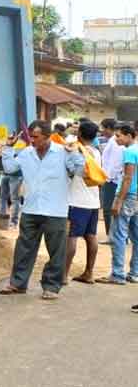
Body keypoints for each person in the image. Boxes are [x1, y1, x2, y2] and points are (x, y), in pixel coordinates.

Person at [0, 120, 84, 300]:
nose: (32, 140)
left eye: (35, 137)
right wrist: (8, 148)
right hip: (30, 209)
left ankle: (51, 286)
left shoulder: (63, 152)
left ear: (47, 136)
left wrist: (74, 152)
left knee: (56, 251)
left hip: (56, 211)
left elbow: (80, 171)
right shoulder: (26, 153)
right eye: (30, 136)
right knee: (24, 249)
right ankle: (17, 283)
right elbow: (9, 168)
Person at [97, 125, 138, 285]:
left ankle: (118, 274)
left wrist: (118, 200)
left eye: (119, 136)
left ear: (129, 136)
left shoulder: (129, 152)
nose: (116, 138)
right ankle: (134, 272)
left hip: (127, 196)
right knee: (135, 236)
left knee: (118, 235)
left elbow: (127, 177)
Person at [64, 121, 102, 284]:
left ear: (79, 134)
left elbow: (70, 168)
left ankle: (63, 275)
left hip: (77, 200)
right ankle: (89, 272)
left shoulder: (77, 150)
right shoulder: (96, 152)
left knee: (71, 237)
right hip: (93, 201)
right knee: (91, 236)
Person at [100, 118, 125, 240]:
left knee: (108, 209)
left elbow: (116, 162)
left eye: (103, 128)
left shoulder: (115, 141)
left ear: (109, 128)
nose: (102, 131)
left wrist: (108, 177)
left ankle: (112, 236)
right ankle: (117, 235)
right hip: (111, 178)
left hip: (112, 180)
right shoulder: (112, 140)